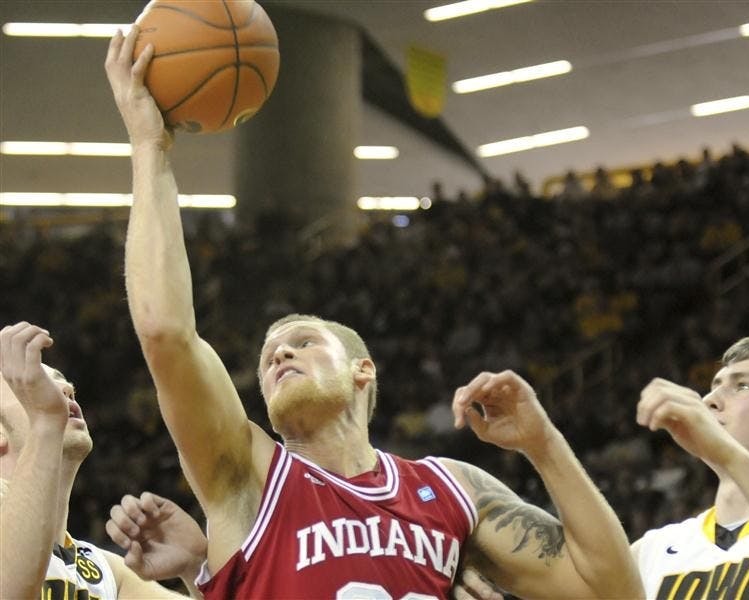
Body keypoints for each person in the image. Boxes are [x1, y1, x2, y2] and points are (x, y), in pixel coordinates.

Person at [105, 26, 641, 600]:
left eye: (305, 341)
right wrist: (149, 148)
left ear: (363, 369)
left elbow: (612, 590)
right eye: (268, 358)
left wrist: (544, 445)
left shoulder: (450, 487)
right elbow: (165, 332)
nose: (281, 352)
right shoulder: (248, 473)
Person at [461, 336, 749, 599]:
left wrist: (729, 455)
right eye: (714, 385)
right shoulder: (654, 549)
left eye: (741, 386)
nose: (711, 399)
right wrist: (540, 442)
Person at [0, 321, 205, 599]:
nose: (65, 388)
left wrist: (198, 570)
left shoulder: (104, 571)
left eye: (62, 380)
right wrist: (46, 421)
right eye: (33, 382)